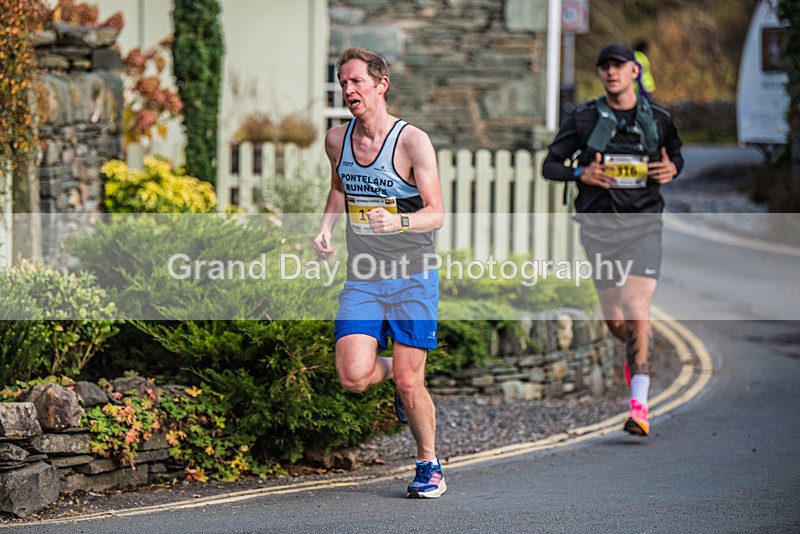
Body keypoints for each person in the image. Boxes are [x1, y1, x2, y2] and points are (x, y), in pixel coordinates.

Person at [313, 47, 446, 497]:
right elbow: (340, 188)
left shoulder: (412, 141)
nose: (348, 89)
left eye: (356, 82)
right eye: (342, 82)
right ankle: (391, 367)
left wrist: (400, 221)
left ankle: (429, 466)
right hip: (365, 274)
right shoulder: (336, 140)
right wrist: (326, 227)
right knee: (353, 377)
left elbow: (437, 213)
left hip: (413, 273)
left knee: (413, 383)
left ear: (380, 85)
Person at [541, 43, 684, 437]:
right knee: (615, 319)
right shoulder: (585, 119)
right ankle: (632, 347)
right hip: (599, 227)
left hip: (643, 225)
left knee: (638, 309)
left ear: (634, 72)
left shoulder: (658, 118)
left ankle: (639, 405)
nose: (611, 72)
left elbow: (675, 156)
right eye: (604, 66)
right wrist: (579, 175)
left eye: (618, 66)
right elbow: (550, 165)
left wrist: (672, 168)